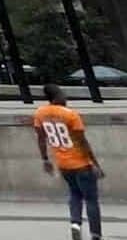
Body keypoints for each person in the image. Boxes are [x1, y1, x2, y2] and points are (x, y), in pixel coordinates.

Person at [34, 82, 104, 240]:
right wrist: (95, 164)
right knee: (91, 199)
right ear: (56, 96)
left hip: (63, 164)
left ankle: (75, 224)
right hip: (81, 163)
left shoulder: (40, 113)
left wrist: (45, 159)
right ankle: (96, 234)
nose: (65, 96)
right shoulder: (71, 114)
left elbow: (41, 139)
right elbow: (82, 142)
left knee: (74, 194)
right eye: (62, 93)